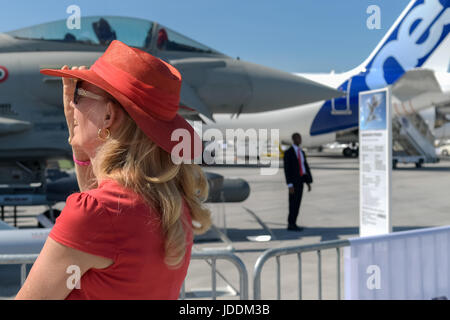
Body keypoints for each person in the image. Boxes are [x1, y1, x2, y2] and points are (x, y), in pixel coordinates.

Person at [15, 40, 212, 299]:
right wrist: (80, 146)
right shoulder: (175, 206)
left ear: (108, 116)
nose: (72, 107)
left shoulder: (95, 214)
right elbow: (103, 218)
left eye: (78, 95)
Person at [283, 133, 313, 231]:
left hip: (301, 181)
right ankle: (290, 224)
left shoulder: (301, 152)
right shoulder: (288, 153)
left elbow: (304, 167)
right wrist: (290, 185)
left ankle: (294, 223)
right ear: (293, 139)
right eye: (297, 138)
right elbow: (287, 170)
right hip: (293, 183)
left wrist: (308, 182)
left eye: (300, 138)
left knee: (297, 204)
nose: (299, 140)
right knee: (293, 204)